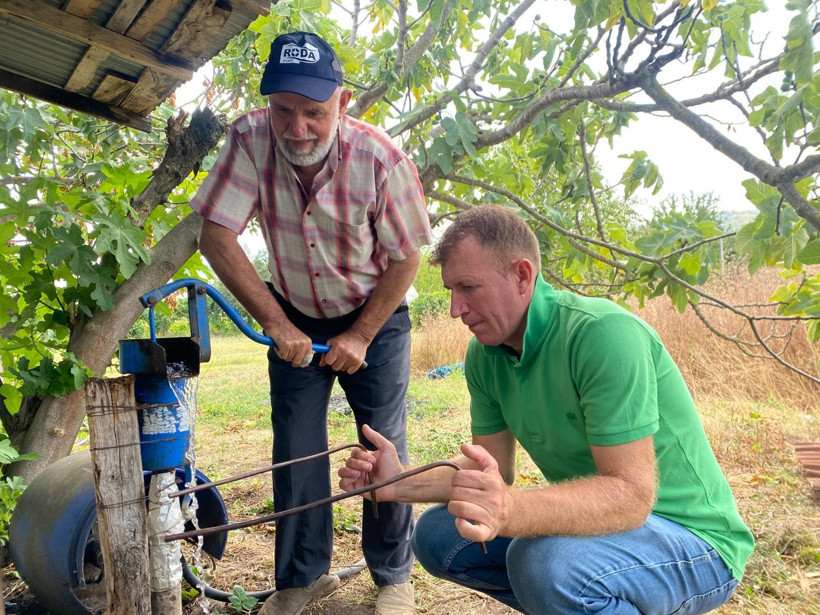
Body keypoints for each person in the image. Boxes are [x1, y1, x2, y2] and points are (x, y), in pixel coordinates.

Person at [339, 206, 755, 614]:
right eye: (451, 291)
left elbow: (630, 497)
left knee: (544, 564)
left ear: (522, 275)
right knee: (437, 536)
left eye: (469, 287)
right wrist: (397, 483)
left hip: (695, 543)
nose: (455, 309)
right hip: (610, 532)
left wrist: (512, 510)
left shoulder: (603, 335)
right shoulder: (485, 355)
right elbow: (494, 472)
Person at [191, 31, 432, 615]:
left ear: (342, 105)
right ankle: (301, 580)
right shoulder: (249, 139)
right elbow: (216, 235)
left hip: (376, 312)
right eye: (284, 111)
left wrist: (359, 336)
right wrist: (275, 322)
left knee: (381, 444)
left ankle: (394, 578)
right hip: (293, 310)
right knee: (295, 449)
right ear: (267, 105)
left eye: (314, 113)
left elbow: (407, 257)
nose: (297, 128)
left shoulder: (381, 159)